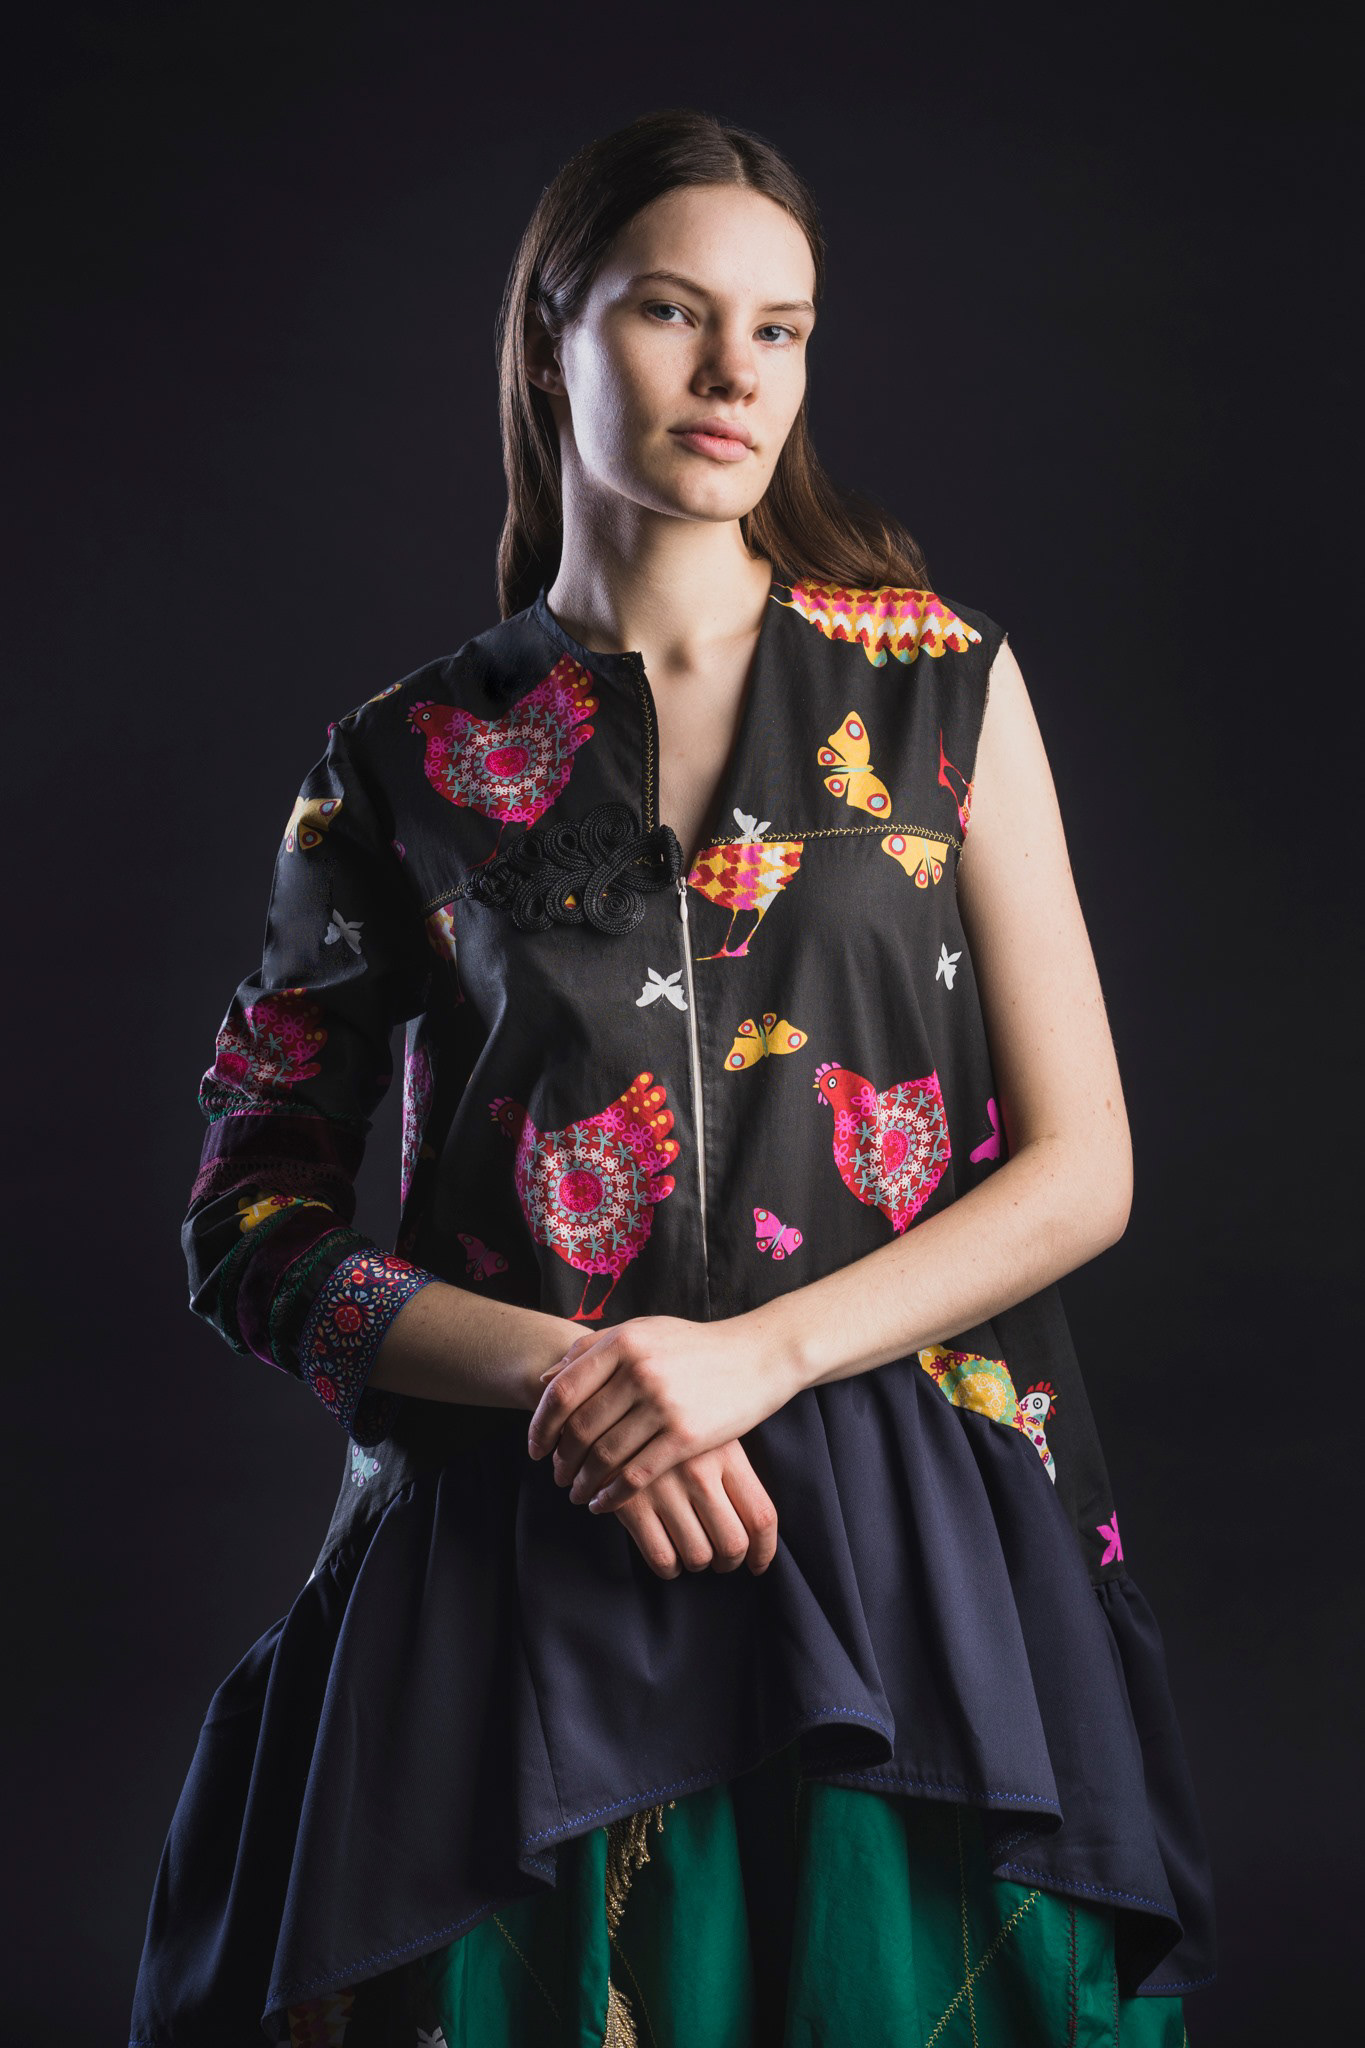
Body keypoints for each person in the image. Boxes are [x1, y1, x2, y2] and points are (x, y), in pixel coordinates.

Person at [129, 108, 1216, 2048]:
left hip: (908, 1569)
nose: (735, 373)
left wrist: (751, 1359)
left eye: (778, 329)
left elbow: (1083, 1168)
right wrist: (579, 1376)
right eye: (669, 311)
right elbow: (250, 1226)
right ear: (549, 336)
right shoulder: (395, 762)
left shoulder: (941, 686)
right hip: (518, 1564)